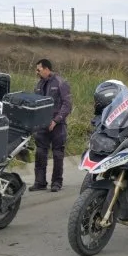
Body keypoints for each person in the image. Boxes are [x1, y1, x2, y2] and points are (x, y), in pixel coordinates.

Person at [30, 58, 73, 191]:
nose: (37, 72)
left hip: (57, 125)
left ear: (47, 69)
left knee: (57, 154)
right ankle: (40, 182)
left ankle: (56, 182)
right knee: (40, 153)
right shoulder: (38, 85)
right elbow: (35, 104)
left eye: (39, 69)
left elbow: (67, 105)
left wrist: (56, 120)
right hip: (42, 126)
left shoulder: (61, 82)